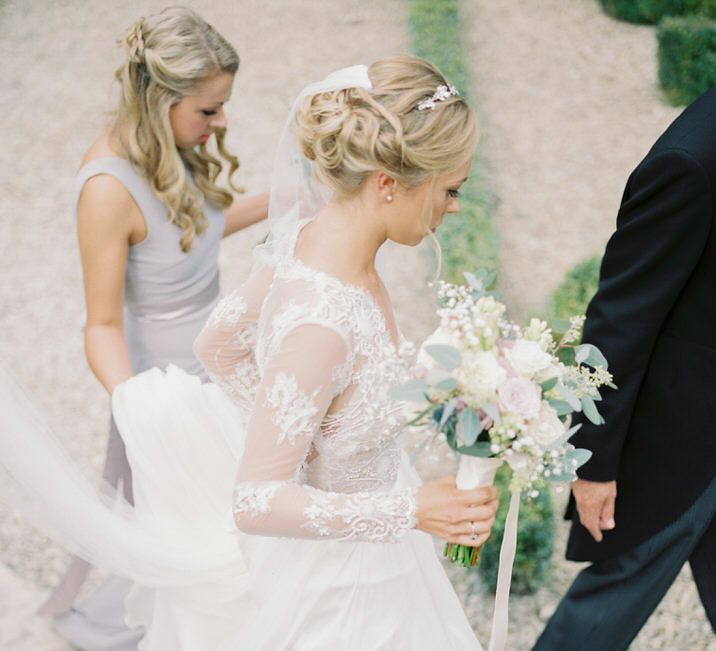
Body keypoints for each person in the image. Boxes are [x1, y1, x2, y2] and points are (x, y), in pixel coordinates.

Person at [0, 56, 497, 650]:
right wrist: (407, 508)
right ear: (388, 183)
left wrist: (307, 430)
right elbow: (256, 501)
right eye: (450, 190)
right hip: (345, 599)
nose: (455, 206)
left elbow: (217, 345)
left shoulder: (309, 239)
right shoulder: (326, 321)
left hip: (375, 561)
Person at [37, 7, 268, 650]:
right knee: (184, 526)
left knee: (228, 521)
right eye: (209, 110)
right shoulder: (107, 190)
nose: (221, 123)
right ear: (160, 100)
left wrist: (292, 198)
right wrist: (142, 407)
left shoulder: (170, 145)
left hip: (223, 360)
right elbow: (101, 324)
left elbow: (200, 230)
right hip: (165, 382)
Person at [533, 86, 716, 650]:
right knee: (611, 600)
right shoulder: (689, 163)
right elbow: (620, 318)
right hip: (683, 442)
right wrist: (593, 462)